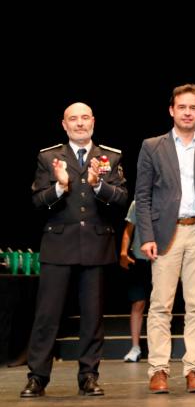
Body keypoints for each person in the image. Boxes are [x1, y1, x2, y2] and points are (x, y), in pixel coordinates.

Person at [21, 102, 128, 398]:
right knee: (47, 316)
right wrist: (59, 187)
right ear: (64, 124)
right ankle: (37, 377)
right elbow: (36, 202)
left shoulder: (110, 156)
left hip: (95, 245)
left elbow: (120, 200)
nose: (79, 123)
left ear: (93, 121)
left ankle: (89, 376)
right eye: (73, 119)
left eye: (84, 118)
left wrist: (97, 186)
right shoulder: (49, 157)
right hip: (58, 245)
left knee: (92, 317)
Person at [135, 84, 195, 394]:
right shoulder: (152, 146)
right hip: (165, 234)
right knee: (160, 304)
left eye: (193, 108)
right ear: (172, 110)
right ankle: (159, 368)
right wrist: (145, 235)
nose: (188, 112)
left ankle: (193, 369)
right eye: (182, 107)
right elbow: (142, 195)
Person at [119, 201, 151, 364]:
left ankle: (158, 348)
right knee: (138, 302)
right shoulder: (137, 203)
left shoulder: (167, 199)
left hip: (162, 259)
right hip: (140, 259)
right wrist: (123, 252)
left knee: (162, 304)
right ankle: (135, 347)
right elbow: (128, 230)